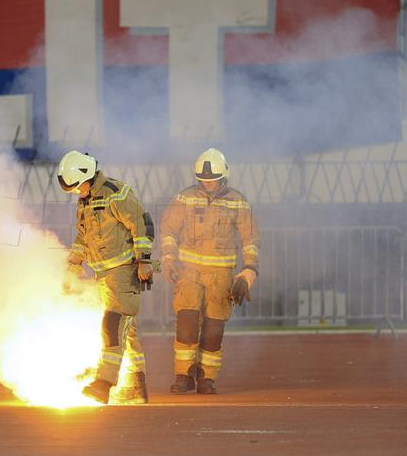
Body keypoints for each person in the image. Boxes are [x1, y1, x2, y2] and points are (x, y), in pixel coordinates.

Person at [160, 148, 260, 395]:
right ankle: (183, 376)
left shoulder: (238, 201)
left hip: (221, 275)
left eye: (212, 180)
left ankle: (207, 378)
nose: (207, 184)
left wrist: (248, 272)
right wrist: (169, 258)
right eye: (203, 179)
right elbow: (168, 230)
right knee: (186, 324)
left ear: (224, 175)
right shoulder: (185, 198)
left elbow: (250, 239)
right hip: (189, 273)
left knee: (214, 330)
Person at [58, 150, 154, 404]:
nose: (76, 192)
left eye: (77, 187)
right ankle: (136, 386)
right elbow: (84, 236)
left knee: (112, 324)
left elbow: (141, 223)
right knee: (127, 331)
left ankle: (103, 384)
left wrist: (144, 260)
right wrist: (74, 264)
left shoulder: (115, 193)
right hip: (106, 276)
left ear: (87, 176)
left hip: (124, 271)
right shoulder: (86, 200)